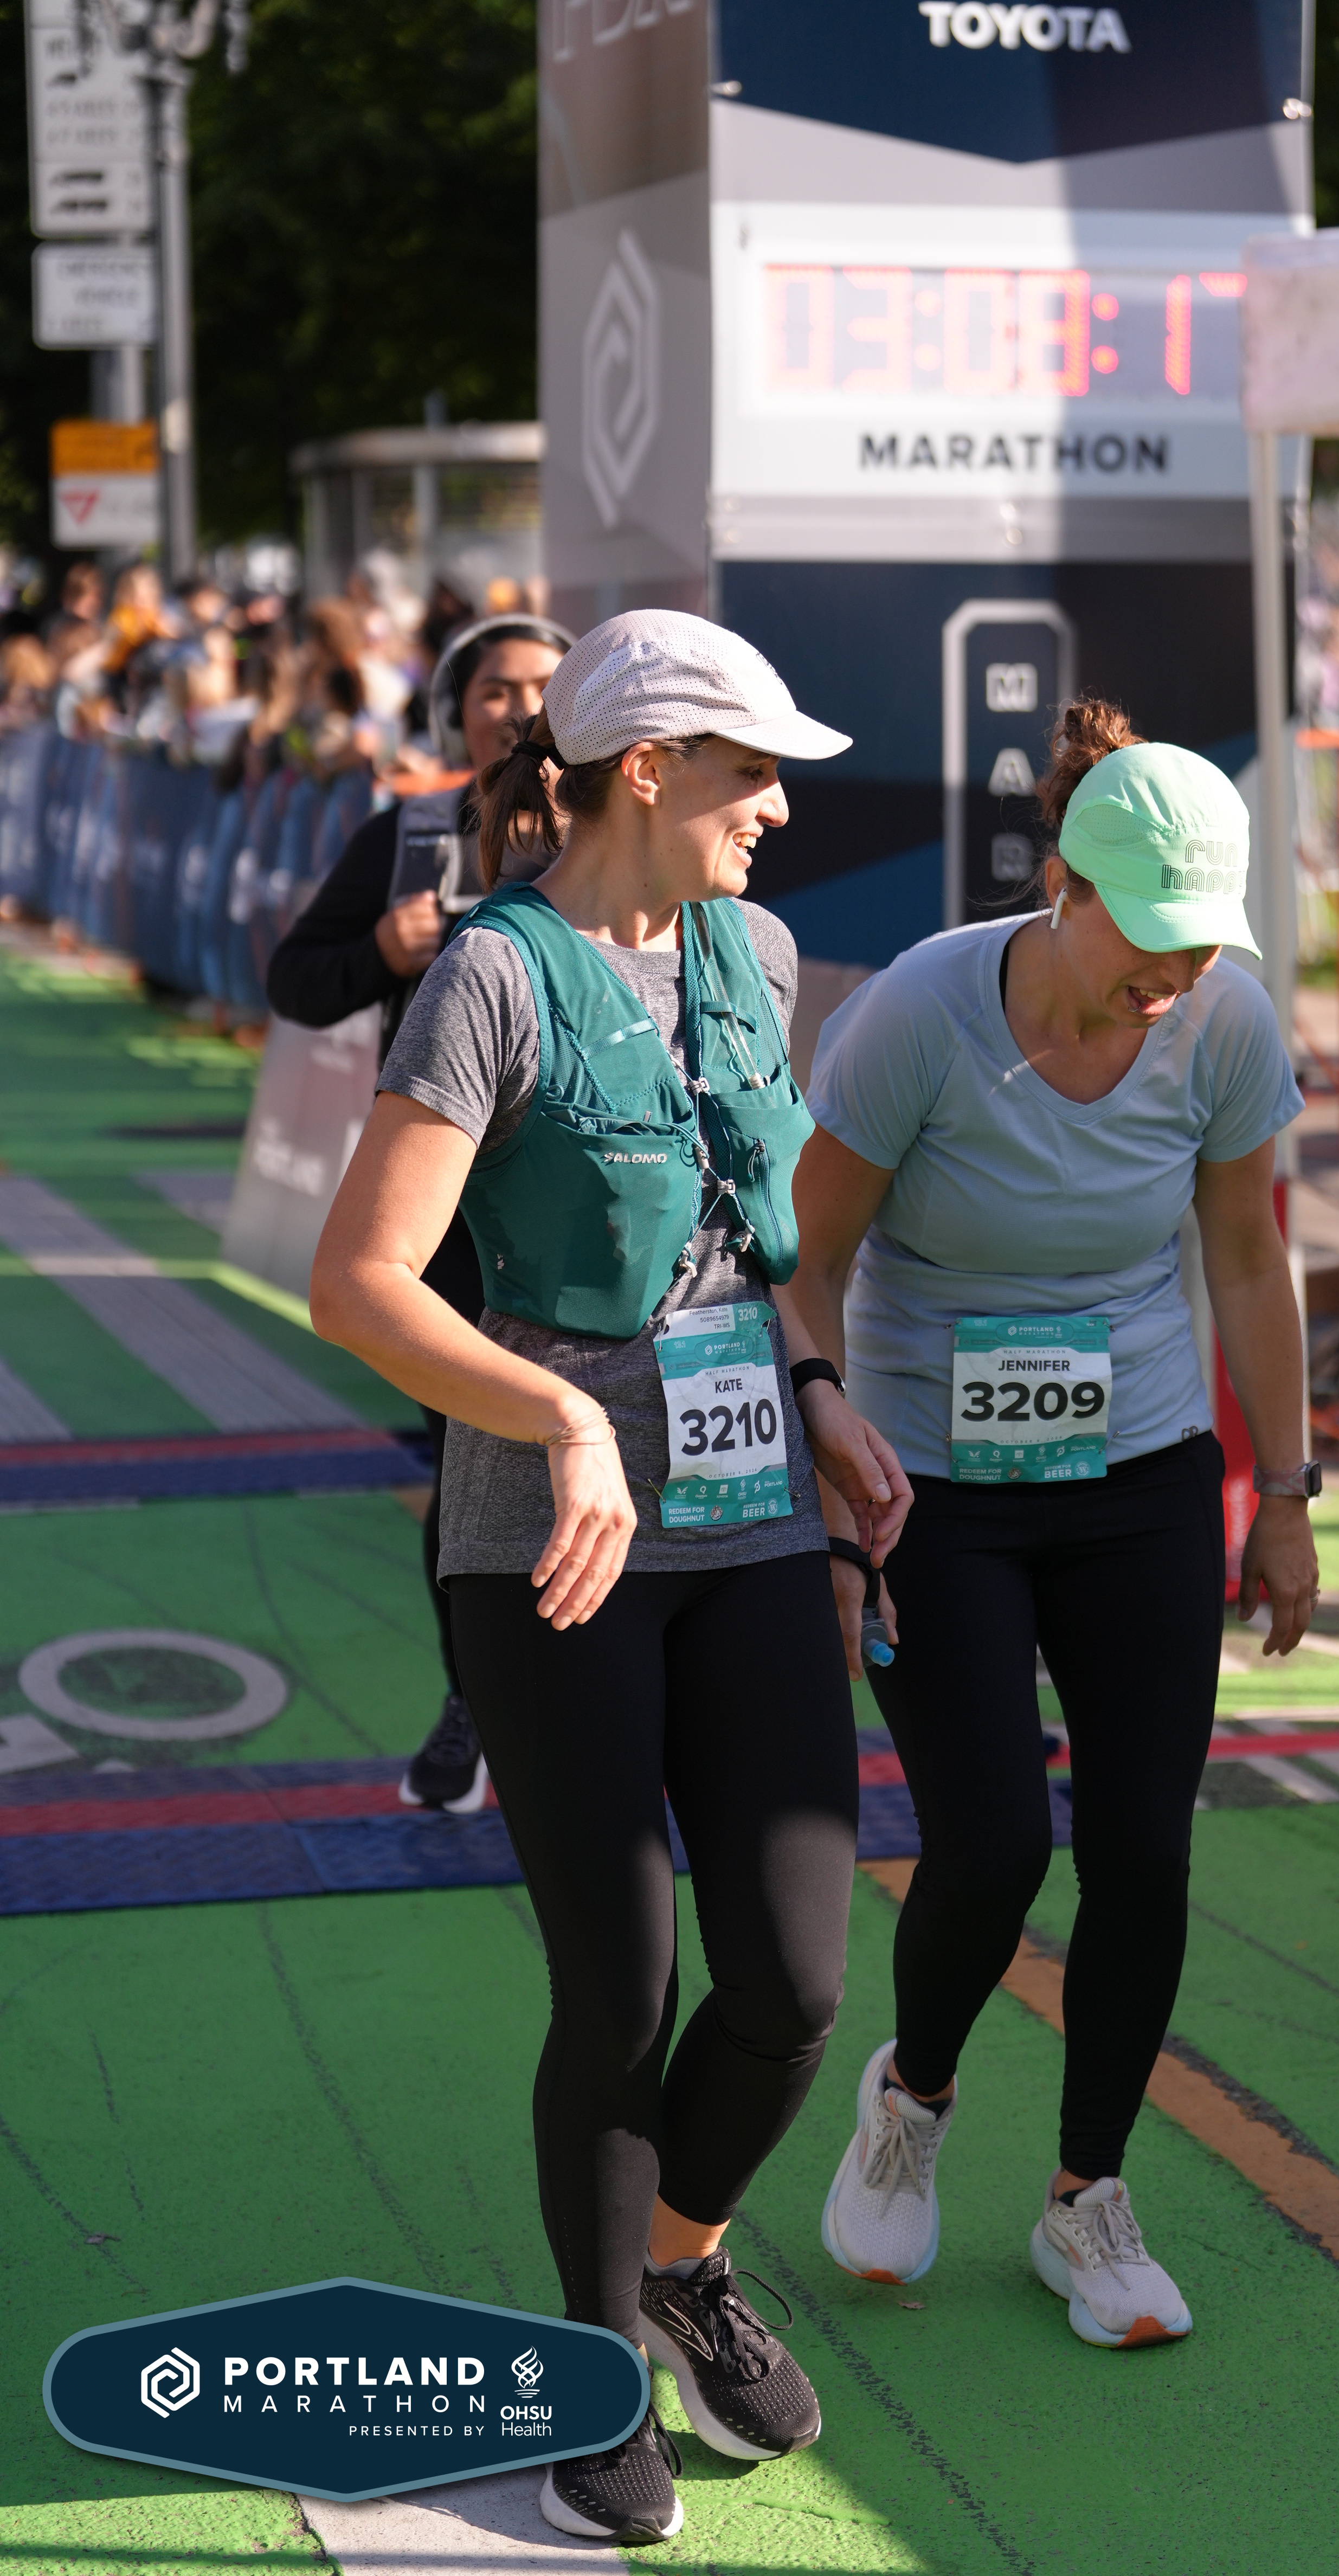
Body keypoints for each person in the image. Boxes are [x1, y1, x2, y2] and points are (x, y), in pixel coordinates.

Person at [309, 609, 911, 2545]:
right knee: (621, 1988)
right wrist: (562, 1416)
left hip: (753, 1526)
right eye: (752, 770)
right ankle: (595, 2370)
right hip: (548, 1549)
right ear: (647, 769)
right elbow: (362, 1286)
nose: (781, 806)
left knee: (797, 1980)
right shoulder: (492, 976)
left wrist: (817, 1388)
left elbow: (751, 1240)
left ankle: (684, 2260)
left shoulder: (761, 952)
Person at [791, 703, 1319, 2349]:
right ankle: (913, 2096)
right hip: (927, 1481)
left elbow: (1248, 1256)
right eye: (1149, 933)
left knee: (1144, 1849)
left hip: (1141, 1468)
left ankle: (1086, 2196)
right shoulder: (919, 1012)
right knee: (996, 1841)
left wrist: (1285, 1492)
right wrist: (830, 1479)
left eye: (1202, 939)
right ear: (1066, 890)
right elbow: (806, 1261)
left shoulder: (1222, 1023)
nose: (1176, 969)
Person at [269, 613, 572, 1810]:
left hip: (601, 1217)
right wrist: (381, 955)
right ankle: (477, 1701)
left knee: (624, 1457)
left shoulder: (618, 835)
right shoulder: (406, 835)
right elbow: (294, 981)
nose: (519, 707)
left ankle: (605, 1711)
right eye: (495, 688)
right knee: (473, 1467)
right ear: (456, 709)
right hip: (446, 1222)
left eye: (544, 686)